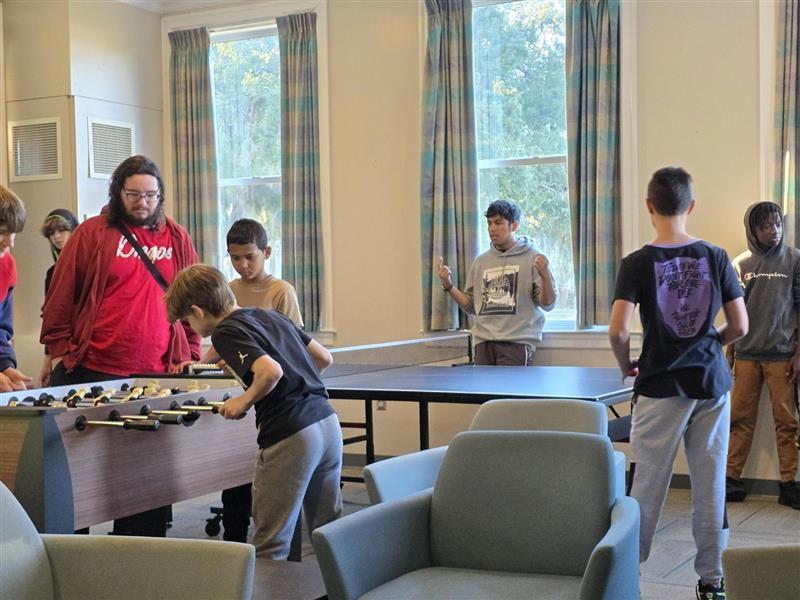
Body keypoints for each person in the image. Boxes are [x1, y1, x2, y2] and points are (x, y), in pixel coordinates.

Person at [40, 155, 201, 536]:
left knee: (144, 481)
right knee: (76, 479)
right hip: (92, 367)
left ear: (160, 196)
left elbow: (193, 300)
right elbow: (61, 296)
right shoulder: (92, 233)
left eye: (150, 195)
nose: (143, 202)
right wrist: (60, 352)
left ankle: (139, 551)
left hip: (155, 374)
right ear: (118, 193)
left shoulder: (176, 237)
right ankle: (69, 554)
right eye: (133, 194)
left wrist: (191, 353)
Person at [609, 166, 748, 600]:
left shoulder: (636, 263)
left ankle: (626, 575)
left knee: (646, 485)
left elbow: (617, 331)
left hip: (659, 385)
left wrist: (626, 365)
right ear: (692, 206)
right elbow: (740, 325)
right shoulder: (716, 256)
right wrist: (711, 343)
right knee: (711, 485)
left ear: (649, 206)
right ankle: (712, 581)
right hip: (711, 383)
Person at [164, 264, 342, 559]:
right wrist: (295, 387)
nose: (191, 327)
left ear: (198, 311)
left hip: (291, 433)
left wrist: (243, 401)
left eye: (187, 321)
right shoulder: (270, 315)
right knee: (329, 531)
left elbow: (270, 372)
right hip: (326, 422)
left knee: (271, 543)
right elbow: (324, 358)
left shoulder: (225, 332)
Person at [200, 218, 304, 543]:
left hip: (269, 393)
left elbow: (293, 344)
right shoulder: (229, 290)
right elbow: (222, 341)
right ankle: (233, 542)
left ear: (266, 253)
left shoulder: (281, 291)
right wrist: (199, 365)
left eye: (250, 257)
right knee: (234, 471)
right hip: (237, 393)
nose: (242, 265)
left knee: (264, 477)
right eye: (235, 258)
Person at [725, 201, 800, 509]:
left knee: (787, 421)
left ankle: (789, 484)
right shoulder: (740, 264)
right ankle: (731, 480)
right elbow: (734, 313)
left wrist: (798, 354)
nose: (774, 231)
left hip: (783, 355)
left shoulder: (794, 259)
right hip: (746, 355)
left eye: (777, 224)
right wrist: (729, 352)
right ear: (753, 230)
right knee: (739, 418)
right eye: (766, 226)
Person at [437, 200, 556, 365]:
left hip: (516, 343)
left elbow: (548, 304)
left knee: (511, 384)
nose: (492, 229)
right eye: (489, 223)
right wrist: (448, 285)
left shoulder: (534, 257)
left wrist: (545, 276)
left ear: (514, 225)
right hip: (483, 343)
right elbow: (471, 306)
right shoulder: (480, 262)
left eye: (498, 223)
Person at [38, 208, 79, 387]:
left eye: (62, 230)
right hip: (62, 350)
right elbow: (51, 319)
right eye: (51, 233)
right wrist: (47, 361)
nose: (56, 237)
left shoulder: (87, 265)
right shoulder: (52, 273)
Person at [0, 185, 32, 392]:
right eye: (2, 232)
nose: (10, 242)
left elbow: (1, 328)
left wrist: (6, 365)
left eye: (13, 234)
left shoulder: (6, 266)